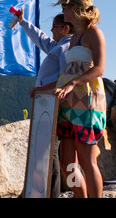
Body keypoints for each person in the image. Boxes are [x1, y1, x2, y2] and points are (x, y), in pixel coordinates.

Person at [53, 0, 107, 198]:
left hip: (87, 100)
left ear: (76, 8)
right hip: (67, 102)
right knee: (68, 163)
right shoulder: (73, 36)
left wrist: (72, 84)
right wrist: (44, 87)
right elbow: (69, 70)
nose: (62, 11)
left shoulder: (93, 32)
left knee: (87, 160)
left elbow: (99, 69)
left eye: (64, 7)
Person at [18, 12, 73, 198]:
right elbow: (40, 38)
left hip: (54, 104)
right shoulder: (58, 45)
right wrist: (23, 21)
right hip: (48, 103)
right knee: (48, 152)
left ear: (66, 28)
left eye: (55, 26)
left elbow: (65, 78)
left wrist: (40, 89)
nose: (51, 30)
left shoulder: (66, 46)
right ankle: (40, 191)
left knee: (52, 153)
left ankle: (52, 193)